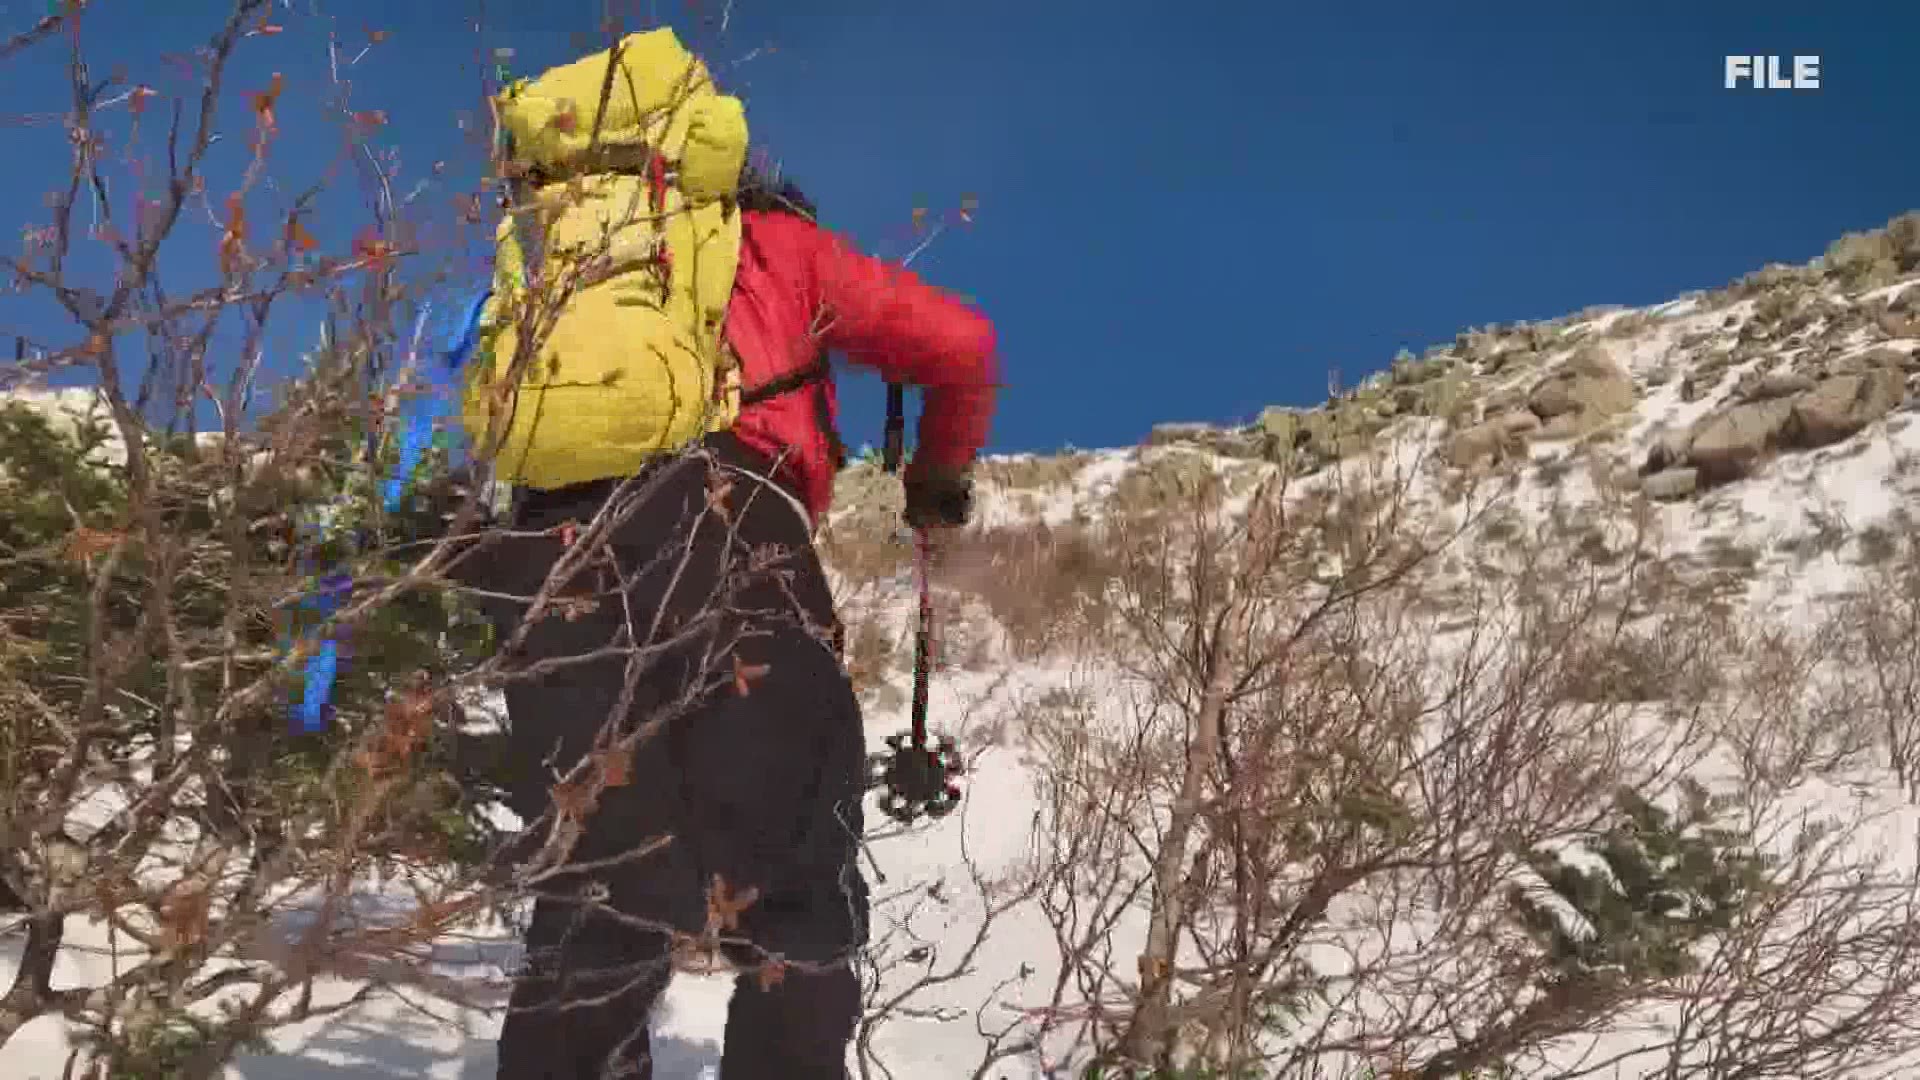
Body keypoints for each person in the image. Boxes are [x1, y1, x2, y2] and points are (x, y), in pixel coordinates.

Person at [482, 162, 998, 1080]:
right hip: (734, 531)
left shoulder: (573, 254)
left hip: (553, 557)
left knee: (596, 893)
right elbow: (962, 346)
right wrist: (936, 478)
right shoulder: (777, 245)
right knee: (795, 886)